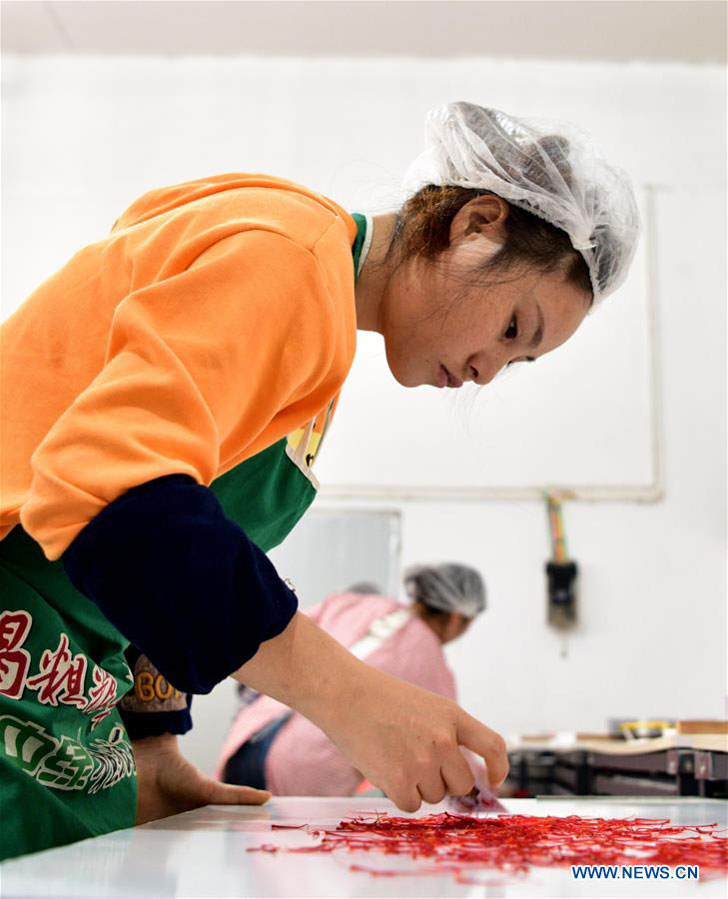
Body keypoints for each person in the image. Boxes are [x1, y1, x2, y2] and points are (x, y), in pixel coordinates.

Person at [0, 101, 639, 859]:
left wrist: (152, 743)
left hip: (63, 698)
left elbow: (166, 549)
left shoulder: (317, 355)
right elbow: (112, 487)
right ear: (476, 224)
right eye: (511, 328)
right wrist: (351, 696)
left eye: (518, 362)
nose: (488, 372)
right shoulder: (290, 255)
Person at [218, 564, 486, 796]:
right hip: (305, 765)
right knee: (287, 839)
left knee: (241, 833)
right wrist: (487, 789)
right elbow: (448, 745)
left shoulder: (356, 604)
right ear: (456, 618)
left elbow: (273, 634)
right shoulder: (426, 655)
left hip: (250, 737)